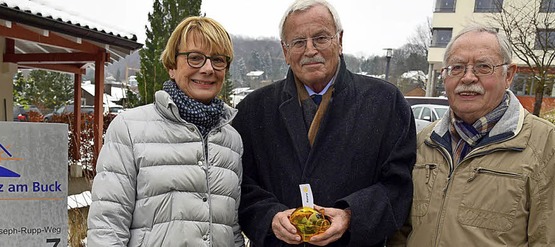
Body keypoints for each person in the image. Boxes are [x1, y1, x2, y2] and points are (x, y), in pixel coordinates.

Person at [232, 0, 417, 246]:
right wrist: (270, 217)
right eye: (298, 42)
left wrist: (351, 215)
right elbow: (241, 186)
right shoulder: (254, 109)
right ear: (285, 51)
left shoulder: (385, 102)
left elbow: (398, 186)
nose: (310, 50)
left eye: (320, 38)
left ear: (339, 41)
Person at [388, 25, 555, 246]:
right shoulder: (424, 142)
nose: (468, 78)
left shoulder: (546, 146)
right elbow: (400, 231)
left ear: (509, 75)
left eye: (483, 67)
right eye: (457, 67)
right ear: (444, 75)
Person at [87, 16, 244, 247]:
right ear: (172, 66)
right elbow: (107, 226)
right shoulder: (130, 128)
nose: (208, 68)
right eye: (195, 58)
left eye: (218, 60)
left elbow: (232, 229)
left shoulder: (231, 140)